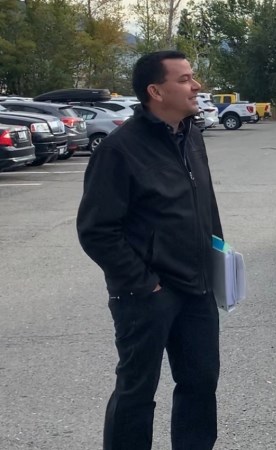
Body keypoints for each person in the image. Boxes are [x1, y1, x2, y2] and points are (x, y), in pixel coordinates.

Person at [77, 50, 223, 450]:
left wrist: (218, 258)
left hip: (197, 287)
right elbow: (96, 230)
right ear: (156, 91)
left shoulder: (190, 134)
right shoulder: (120, 149)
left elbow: (204, 205)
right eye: (185, 79)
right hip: (147, 294)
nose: (196, 86)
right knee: (137, 391)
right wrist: (144, 284)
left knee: (200, 383)